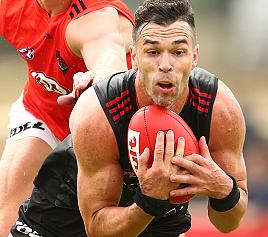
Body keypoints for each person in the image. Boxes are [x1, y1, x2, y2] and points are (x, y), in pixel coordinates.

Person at [10, 0, 248, 236]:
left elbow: (227, 224)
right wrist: (149, 200)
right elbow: (97, 230)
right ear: (134, 57)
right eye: (153, 52)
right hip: (64, 206)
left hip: (161, 217)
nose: (165, 65)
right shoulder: (98, 112)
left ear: (194, 57)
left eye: (178, 52)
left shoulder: (218, 109)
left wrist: (224, 190)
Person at [0, 0, 134, 235]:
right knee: (6, 220)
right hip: (41, 112)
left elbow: (109, 61)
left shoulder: (93, 17)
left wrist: (101, 79)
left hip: (108, 128)